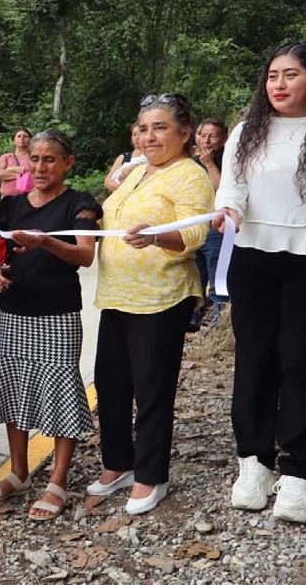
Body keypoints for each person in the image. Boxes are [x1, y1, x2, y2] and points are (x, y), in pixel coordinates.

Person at [215, 42, 306, 524]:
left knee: (305, 362)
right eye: (273, 75)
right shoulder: (246, 131)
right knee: (255, 359)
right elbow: (232, 187)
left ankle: (298, 472)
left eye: (291, 74)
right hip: (255, 258)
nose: (279, 84)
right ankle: (254, 462)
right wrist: (228, 209)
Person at [89, 94, 213, 516]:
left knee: (152, 388)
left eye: (160, 128)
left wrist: (157, 236)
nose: (149, 136)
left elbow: (195, 234)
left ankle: (150, 474)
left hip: (161, 297)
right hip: (117, 294)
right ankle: (118, 463)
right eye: (143, 129)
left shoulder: (190, 175)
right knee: (111, 383)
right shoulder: (136, 170)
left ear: (184, 132)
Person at [0, 129, 101, 521]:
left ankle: (58, 479)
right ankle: (19, 472)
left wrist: (45, 242)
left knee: (61, 388)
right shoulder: (11, 204)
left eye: (50, 159)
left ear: (68, 163)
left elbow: (85, 255)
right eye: (34, 159)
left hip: (58, 312)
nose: (41, 166)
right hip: (14, 309)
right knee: (15, 386)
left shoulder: (79, 203)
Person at [189, 118, 230, 330]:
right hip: (195, 224)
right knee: (196, 272)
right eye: (202, 135)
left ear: (223, 138)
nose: (206, 140)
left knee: (217, 271)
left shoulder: (228, 158)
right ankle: (195, 314)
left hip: (217, 224)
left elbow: (223, 191)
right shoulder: (190, 162)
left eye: (212, 136)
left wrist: (210, 164)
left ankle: (219, 316)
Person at [104, 123, 146, 192]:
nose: (137, 137)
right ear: (131, 138)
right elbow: (107, 181)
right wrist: (124, 188)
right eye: (134, 134)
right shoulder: (123, 157)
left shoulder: (151, 156)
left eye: (140, 134)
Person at [0, 127, 32, 197]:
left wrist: (12, 169)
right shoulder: (6, 157)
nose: (22, 138)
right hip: (7, 198)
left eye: (25, 136)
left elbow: (34, 173)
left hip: (29, 197)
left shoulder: (34, 157)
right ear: (14, 141)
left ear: (30, 141)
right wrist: (22, 174)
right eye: (19, 136)